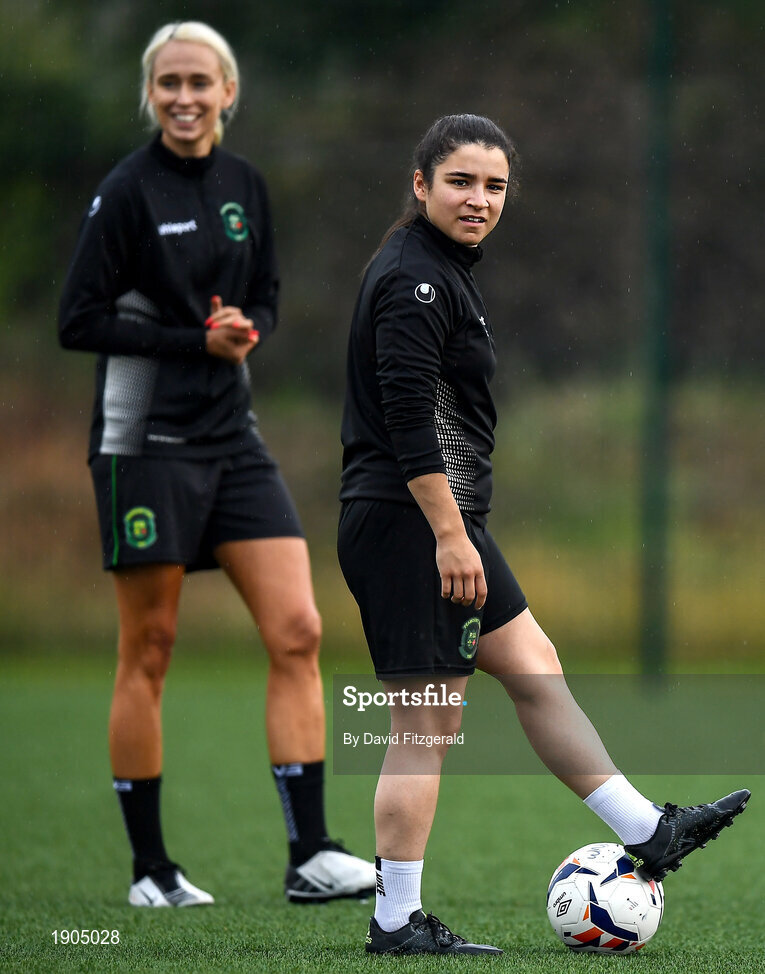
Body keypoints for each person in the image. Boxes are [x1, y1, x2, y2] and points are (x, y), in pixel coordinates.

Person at [337, 113, 750, 955]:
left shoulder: (446, 270)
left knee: (533, 665)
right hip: (414, 523)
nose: (478, 199)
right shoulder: (415, 278)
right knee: (425, 728)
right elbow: (410, 418)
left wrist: (459, 531)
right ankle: (394, 924)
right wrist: (450, 536)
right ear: (420, 186)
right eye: (459, 181)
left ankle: (649, 831)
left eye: (493, 185)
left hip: (444, 523)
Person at [58, 20, 375, 908]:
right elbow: (76, 321)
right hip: (142, 444)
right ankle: (151, 872)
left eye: (201, 82)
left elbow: (265, 295)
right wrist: (192, 340)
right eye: (170, 85)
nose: (186, 98)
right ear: (151, 95)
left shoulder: (244, 184)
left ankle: (310, 854)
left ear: (229, 91)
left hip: (232, 440)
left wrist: (247, 332)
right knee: (150, 649)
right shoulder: (126, 191)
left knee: (300, 632)